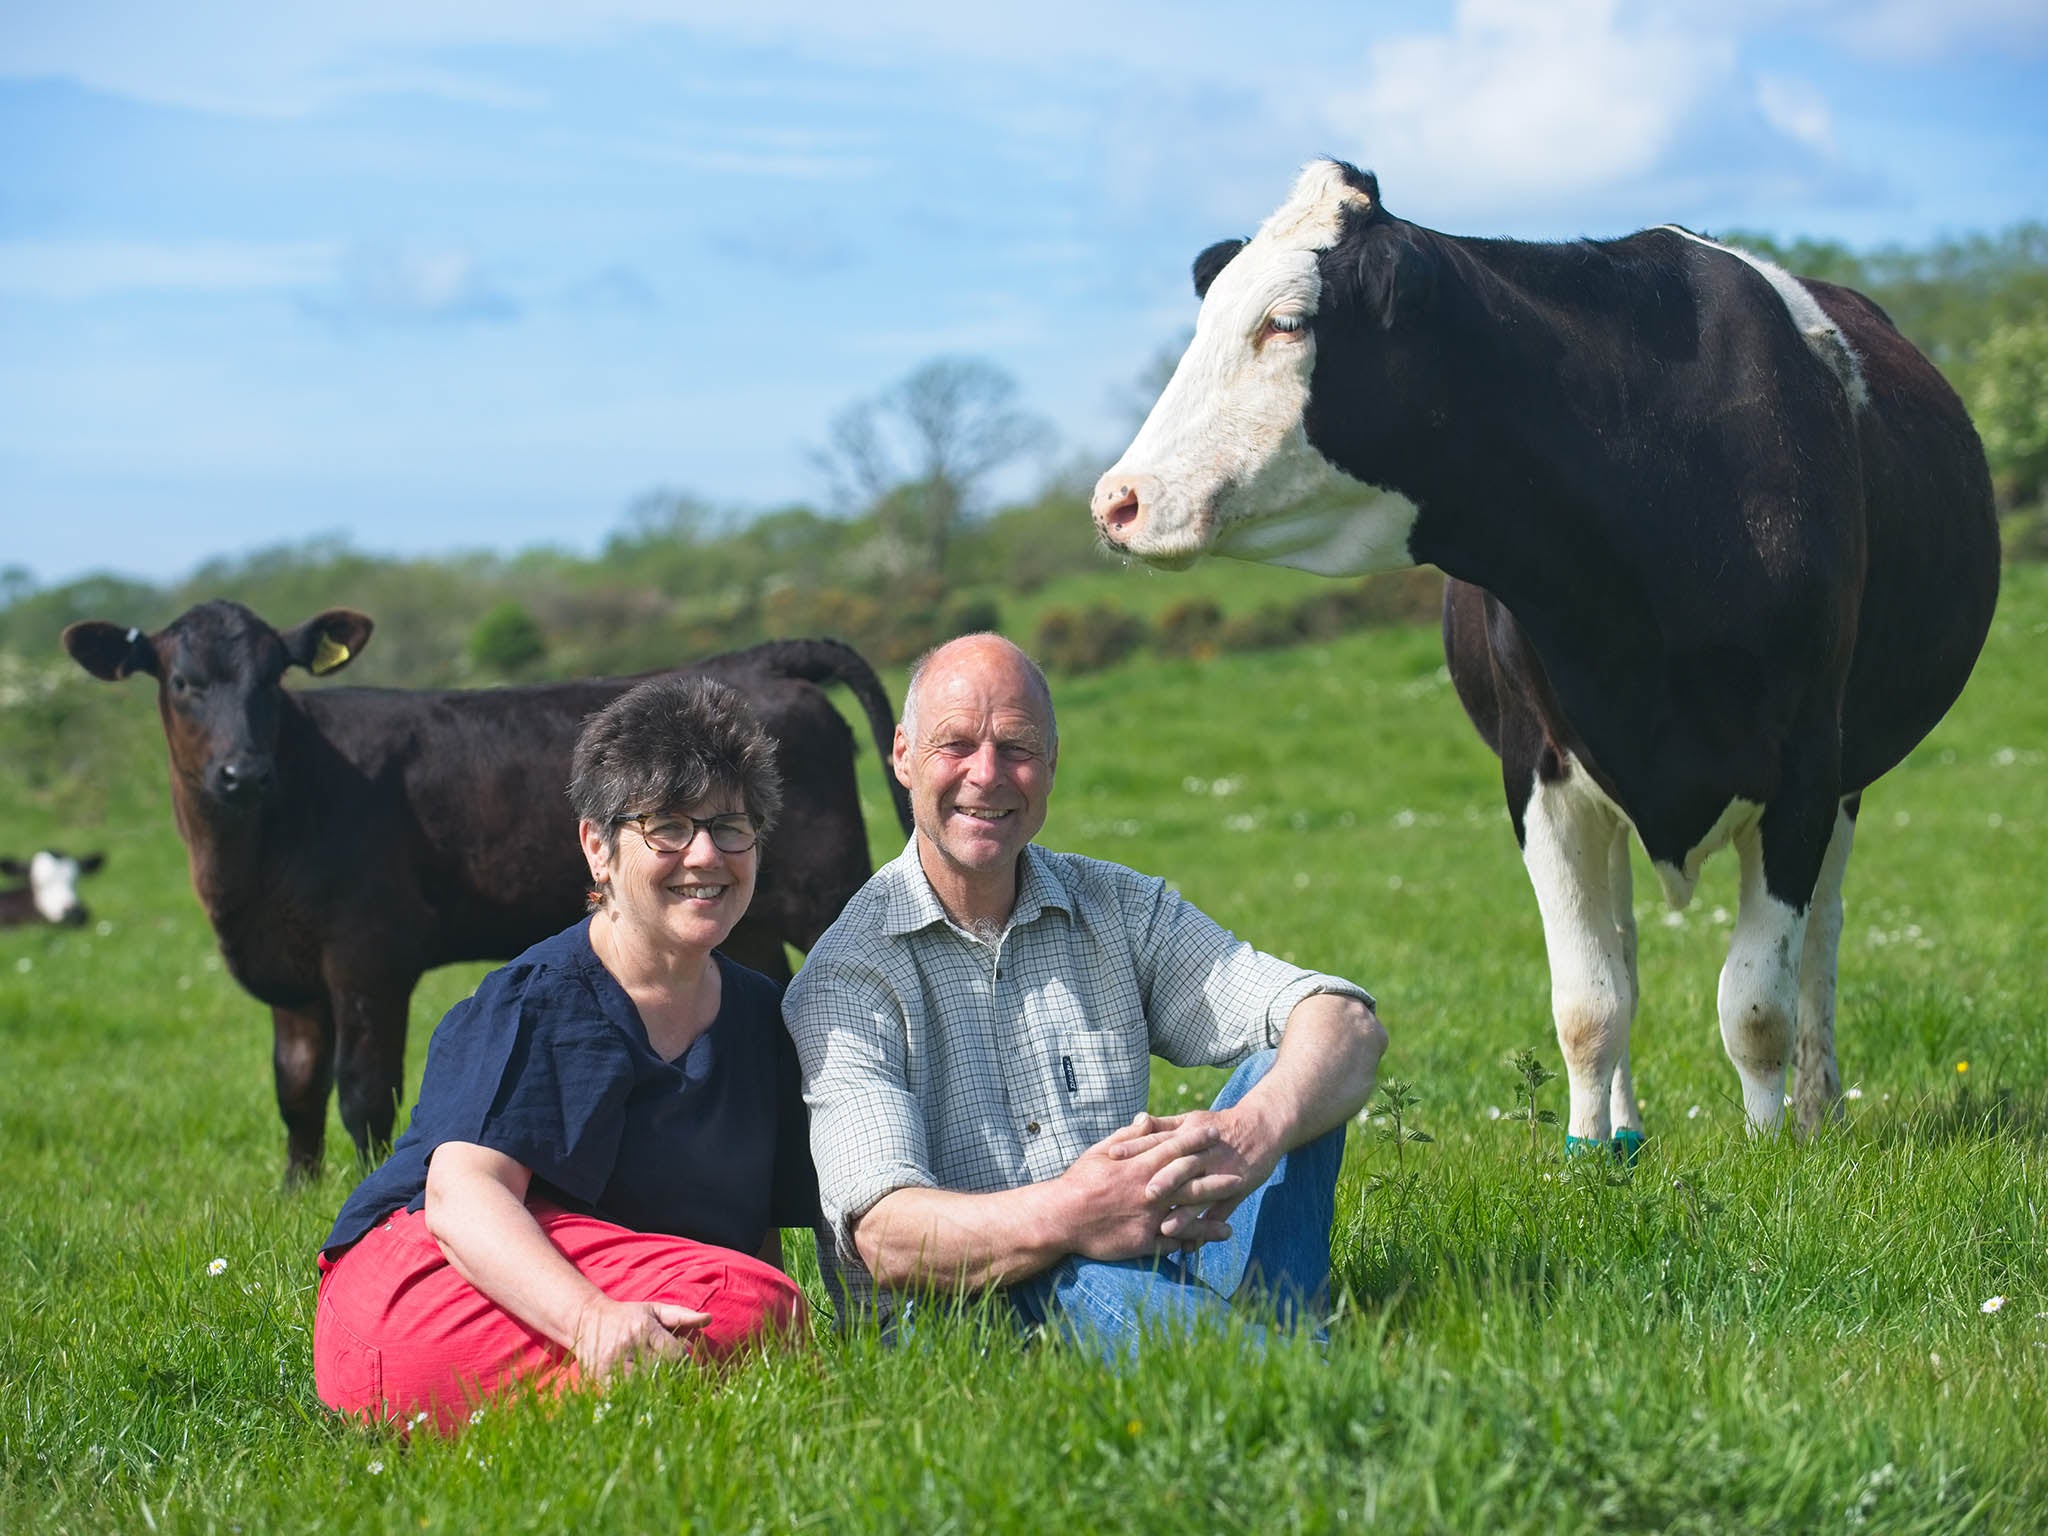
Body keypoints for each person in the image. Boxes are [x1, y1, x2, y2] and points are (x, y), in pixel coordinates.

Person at [783, 634, 1387, 1359]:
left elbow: (1346, 1020)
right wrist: (1076, 1215)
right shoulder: (846, 977)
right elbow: (884, 1236)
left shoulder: (1119, 907)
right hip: (962, 1318)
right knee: (1071, 1276)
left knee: (1285, 1069)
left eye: (1017, 747)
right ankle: (1296, 1370)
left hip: (1140, 1257)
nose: (988, 774)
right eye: (957, 745)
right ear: (904, 755)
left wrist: (1255, 1130)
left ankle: (1255, 1341)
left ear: (1053, 765)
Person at [314, 676, 816, 1432]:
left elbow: (748, 1240)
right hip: (426, 1278)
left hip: (596, 1276)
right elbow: (462, 1198)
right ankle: (616, 1382)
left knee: (751, 1306)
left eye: (730, 826)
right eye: (669, 827)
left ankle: (626, 1403)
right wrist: (592, 1322)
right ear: (597, 847)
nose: (706, 855)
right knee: (754, 1311)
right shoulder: (539, 999)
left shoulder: (760, 1016)